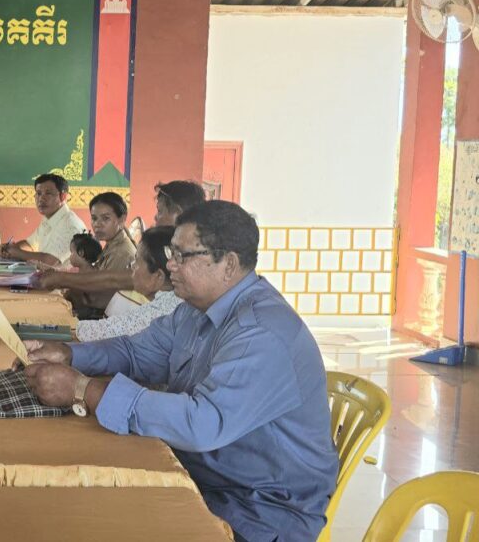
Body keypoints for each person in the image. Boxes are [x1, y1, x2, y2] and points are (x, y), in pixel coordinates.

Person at [23, 201, 338, 542]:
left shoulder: (261, 333)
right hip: (207, 476)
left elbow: (201, 423)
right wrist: (70, 354)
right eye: (170, 253)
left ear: (228, 264)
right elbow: (135, 351)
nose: (170, 265)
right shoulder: (195, 310)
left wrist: (84, 390)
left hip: (257, 510)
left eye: (181, 256)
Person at [34, 192, 136, 318]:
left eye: (105, 218)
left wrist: (63, 281)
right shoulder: (112, 244)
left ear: (122, 219)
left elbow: (98, 298)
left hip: (100, 318)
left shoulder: (121, 253)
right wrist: (57, 274)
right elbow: (93, 276)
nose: (97, 224)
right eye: (94, 218)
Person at [75, 226, 183, 342]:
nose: (131, 266)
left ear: (158, 276)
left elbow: (106, 331)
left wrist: (72, 328)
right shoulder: (174, 302)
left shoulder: (160, 311)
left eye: (137, 261)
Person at [0, 174, 87, 267]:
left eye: (48, 193)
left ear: (63, 196)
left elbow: (50, 262)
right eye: (38, 193)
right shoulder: (50, 217)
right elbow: (30, 244)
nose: (41, 198)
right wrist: (11, 248)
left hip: (64, 276)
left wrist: (16, 252)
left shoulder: (70, 225)